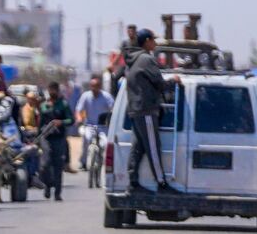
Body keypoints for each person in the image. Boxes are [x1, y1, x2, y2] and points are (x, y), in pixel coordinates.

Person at [125, 29, 182, 195]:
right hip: (146, 110)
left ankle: (133, 183)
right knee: (153, 147)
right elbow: (160, 83)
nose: (155, 43)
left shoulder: (134, 59)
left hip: (136, 110)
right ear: (147, 41)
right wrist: (174, 80)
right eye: (153, 40)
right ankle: (161, 184)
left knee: (138, 147)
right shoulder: (146, 59)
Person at [39, 81, 74, 201]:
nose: (52, 92)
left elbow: (71, 120)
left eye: (54, 89)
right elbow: (40, 123)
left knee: (58, 166)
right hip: (46, 138)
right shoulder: (44, 105)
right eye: (50, 90)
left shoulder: (63, 104)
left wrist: (61, 122)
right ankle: (48, 185)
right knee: (45, 164)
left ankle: (57, 193)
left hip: (59, 138)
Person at [75, 77, 114, 170]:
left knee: (105, 143)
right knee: (86, 139)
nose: (94, 88)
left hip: (102, 126)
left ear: (100, 86)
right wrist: (79, 119)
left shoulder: (106, 96)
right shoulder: (86, 96)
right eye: (92, 86)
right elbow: (78, 109)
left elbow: (113, 109)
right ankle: (83, 162)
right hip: (89, 125)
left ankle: (104, 163)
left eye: (96, 86)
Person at [109, 24, 138, 97]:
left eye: (132, 31)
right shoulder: (125, 43)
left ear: (135, 32)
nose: (131, 33)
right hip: (127, 66)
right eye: (129, 31)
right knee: (114, 77)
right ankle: (114, 97)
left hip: (136, 65)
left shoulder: (139, 42)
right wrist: (112, 64)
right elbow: (120, 54)